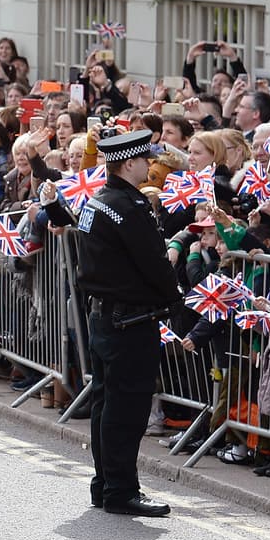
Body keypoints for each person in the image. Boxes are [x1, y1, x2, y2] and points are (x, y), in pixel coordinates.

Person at [74, 129, 182, 517]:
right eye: (145, 161)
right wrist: (176, 302)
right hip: (130, 322)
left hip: (105, 317)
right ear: (130, 163)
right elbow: (153, 263)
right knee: (126, 411)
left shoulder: (98, 201)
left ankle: (105, 485)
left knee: (107, 405)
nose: (149, 166)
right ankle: (120, 490)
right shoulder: (130, 207)